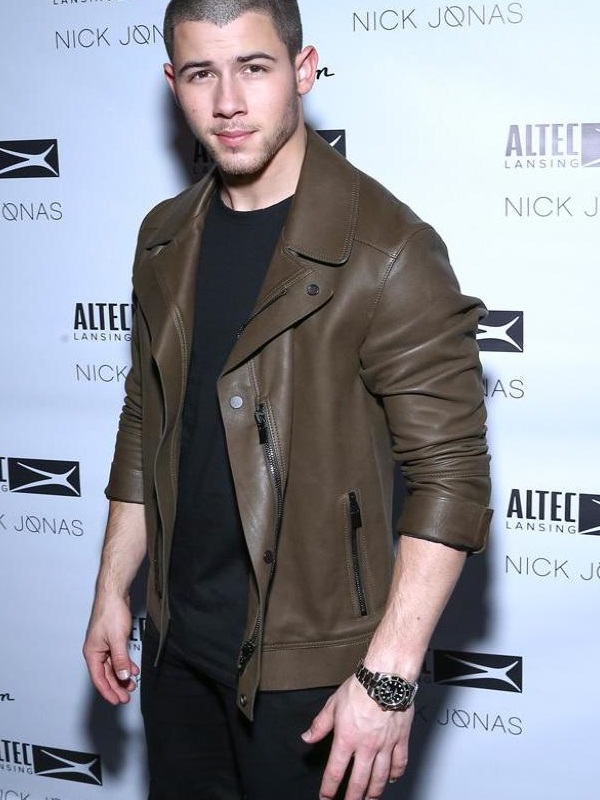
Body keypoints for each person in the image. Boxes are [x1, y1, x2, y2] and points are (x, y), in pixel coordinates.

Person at [83, 1, 492, 798]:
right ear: (172, 83)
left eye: (254, 68)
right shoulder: (163, 237)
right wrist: (112, 591)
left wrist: (389, 677)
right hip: (175, 650)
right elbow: (145, 421)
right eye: (201, 73)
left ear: (303, 71)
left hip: (316, 672)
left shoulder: (388, 251)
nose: (228, 102)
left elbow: (451, 477)